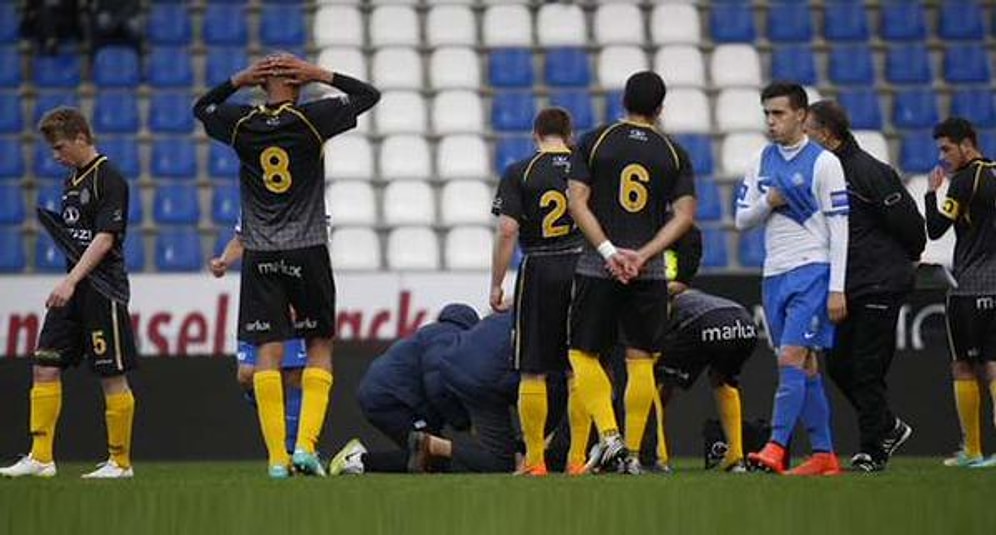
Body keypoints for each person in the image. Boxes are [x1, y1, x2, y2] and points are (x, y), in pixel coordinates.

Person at [193, 53, 380, 478]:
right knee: (319, 345)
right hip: (307, 247)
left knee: (268, 352)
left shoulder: (240, 123)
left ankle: (277, 459)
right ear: (296, 81)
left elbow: (200, 108)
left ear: (261, 84)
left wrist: (237, 79)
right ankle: (305, 449)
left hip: (259, 251)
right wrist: (322, 74)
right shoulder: (313, 118)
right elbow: (368, 95)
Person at [566, 71, 697, 474]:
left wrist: (608, 250)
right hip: (649, 271)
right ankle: (635, 456)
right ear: (660, 107)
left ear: (623, 100)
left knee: (582, 354)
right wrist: (642, 255)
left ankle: (610, 438)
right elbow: (685, 216)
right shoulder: (673, 152)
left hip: (597, 265)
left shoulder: (594, 140)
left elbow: (577, 202)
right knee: (641, 361)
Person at [1, 108, 138, 479]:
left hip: (102, 289)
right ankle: (42, 457)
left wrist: (71, 281)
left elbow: (105, 238)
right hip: (73, 289)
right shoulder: (72, 180)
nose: (55, 155)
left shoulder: (109, 179)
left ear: (81, 137)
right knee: (44, 365)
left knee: (111, 374)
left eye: (60, 147)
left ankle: (119, 462)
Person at [805, 100, 926, 472]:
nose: (804, 137)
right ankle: (887, 426)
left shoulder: (869, 171)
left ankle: (872, 450)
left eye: (809, 130)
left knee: (866, 368)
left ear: (826, 134)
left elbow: (910, 227)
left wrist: (898, 262)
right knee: (839, 364)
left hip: (880, 281)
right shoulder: (825, 171)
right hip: (850, 282)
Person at [735, 82, 849, 476]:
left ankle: (776, 446)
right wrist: (769, 202)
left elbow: (841, 229)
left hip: (813, 270)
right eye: (767, 113)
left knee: (790, 358)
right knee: (806, 366)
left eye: (779, 113)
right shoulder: (760, 161)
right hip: (774, 273)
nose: (771, 121)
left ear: (801, 115)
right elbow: (741, 219)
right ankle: (824, 454)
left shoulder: (824, 163)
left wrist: (836, 287)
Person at [489, 107, 585, 476]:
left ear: (535, 134)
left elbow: (508, 230)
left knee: (533, 368)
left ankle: (534, 460)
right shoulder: (584, 164)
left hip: (540, 266)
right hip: (582, 266)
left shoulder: (520, 171)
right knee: (580, 365)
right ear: (569, 132)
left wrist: (497, 283)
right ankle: (578, 460)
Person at [328, 304, 479, 475]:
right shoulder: (450, 337)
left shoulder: (435, 333)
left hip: (388, 395)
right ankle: (356, 460)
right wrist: (464, 422)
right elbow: (437, 385)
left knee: (433, 455)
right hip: (393, 399)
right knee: (433, 454)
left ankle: (357, 460)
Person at [923, 117, 996, 468]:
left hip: (969, 286)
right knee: (994, 365)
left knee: (963, 367)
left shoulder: (964, 181)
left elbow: (936, 230)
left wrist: (929, 192)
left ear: (967, 144)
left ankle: (973, 450)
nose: (943, 157)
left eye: (946, 149)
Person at [654, 226, 757, 473]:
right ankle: (736, 457)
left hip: (705, 322)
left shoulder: (661, 300)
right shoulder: (694, 294)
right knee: (724, 382)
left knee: (656, 385)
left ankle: (658, 457)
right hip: (743, 321)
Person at [209, 222, 308, 456]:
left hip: (292, 290)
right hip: (258, 295)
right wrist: (224, 261)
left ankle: (292, 449)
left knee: (294, 376)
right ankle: (273, 414)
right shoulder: (253, 202)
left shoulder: (300, 205)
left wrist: (300, 296)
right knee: (247, 374)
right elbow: (241, 238)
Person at [406, 312, 524, 473]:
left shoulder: (501, 317)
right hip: (486, 379)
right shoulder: (550, 326)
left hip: (461, 370)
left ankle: (431, 444)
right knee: (502, 462)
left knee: (501, 453)